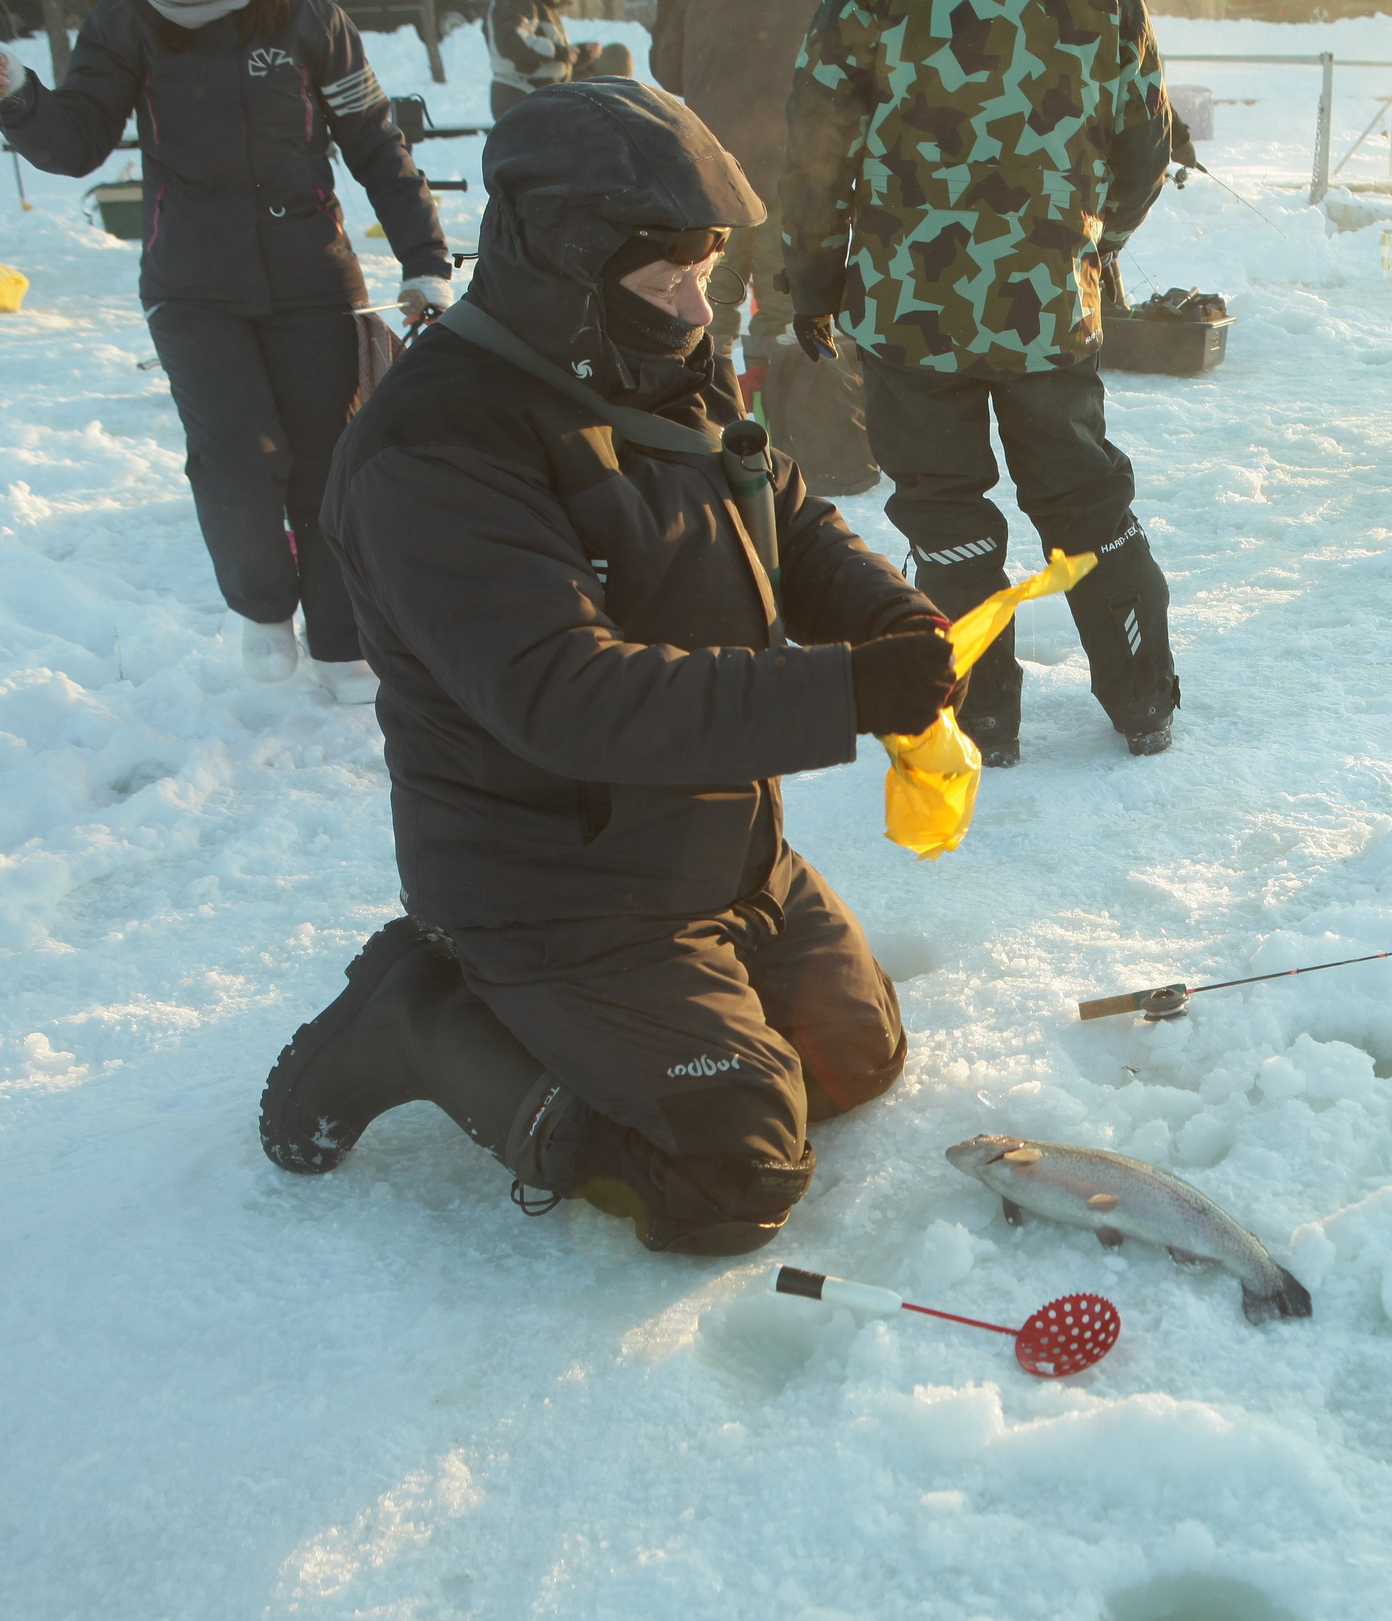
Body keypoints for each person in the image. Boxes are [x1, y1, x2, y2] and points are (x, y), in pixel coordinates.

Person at [263, 80, 954, 1257]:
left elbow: (775, 505)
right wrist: (841, 695)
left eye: (710, 264)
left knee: (855, 1059)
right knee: (733, 1174)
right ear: (568, 264)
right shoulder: (437, 445)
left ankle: (667, 1001)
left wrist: (887, 621)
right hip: (554, 884)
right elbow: (564, 696)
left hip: (711, 847)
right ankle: (427, 1017)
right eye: (668, 273)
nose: (700, 301)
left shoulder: (648, 357)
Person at [0, 0, 452, 704]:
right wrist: (18, 95)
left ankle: (344, 640)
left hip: (312, 273)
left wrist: (423, 259)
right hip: (191, 281)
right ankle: (261, 604)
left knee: (330, 459)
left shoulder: (309, 17)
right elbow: (76, 145)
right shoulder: (126, 21)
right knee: (236, 456)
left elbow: (375, 139)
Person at [782, 0, 1181, 765]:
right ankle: (1143, 700)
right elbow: (1145, 143)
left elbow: (818, 147)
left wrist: (814, 279)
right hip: (1047, 304)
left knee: (943, 512)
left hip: (910, 304)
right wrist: (1087, 251)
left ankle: (981, 715)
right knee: (1086, 500)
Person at [650, 0, 814, 402]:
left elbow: (668, 65)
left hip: (716, 164)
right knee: (786, 314)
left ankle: (708, 416)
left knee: (704, 304)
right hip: (794, 160)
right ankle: (783, 428)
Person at [485, 0, 574, 121]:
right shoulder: (511, 3)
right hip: (520, 92)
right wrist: (560, 52)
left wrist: (579, 52)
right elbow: (516, 44)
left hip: (541, 96)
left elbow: (549, 57)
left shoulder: (543, 6)